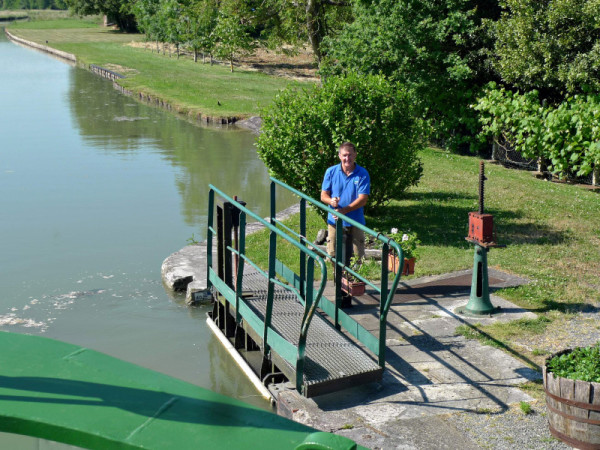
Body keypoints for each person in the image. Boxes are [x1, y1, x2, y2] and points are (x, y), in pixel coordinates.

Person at [320, 142, 370, 262]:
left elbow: (363, 199)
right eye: (344, 155)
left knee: (358, 255)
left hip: (355, 220)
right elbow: (323, 195)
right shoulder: (331, 172)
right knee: (332, 253)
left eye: (350, 155)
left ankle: (355, 279)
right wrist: (331, 201)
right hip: (335, 220)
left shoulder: (362, 173)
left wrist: (344, 210)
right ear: (339, 156)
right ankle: (338, 277)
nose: (347, 158)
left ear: (355, 155)